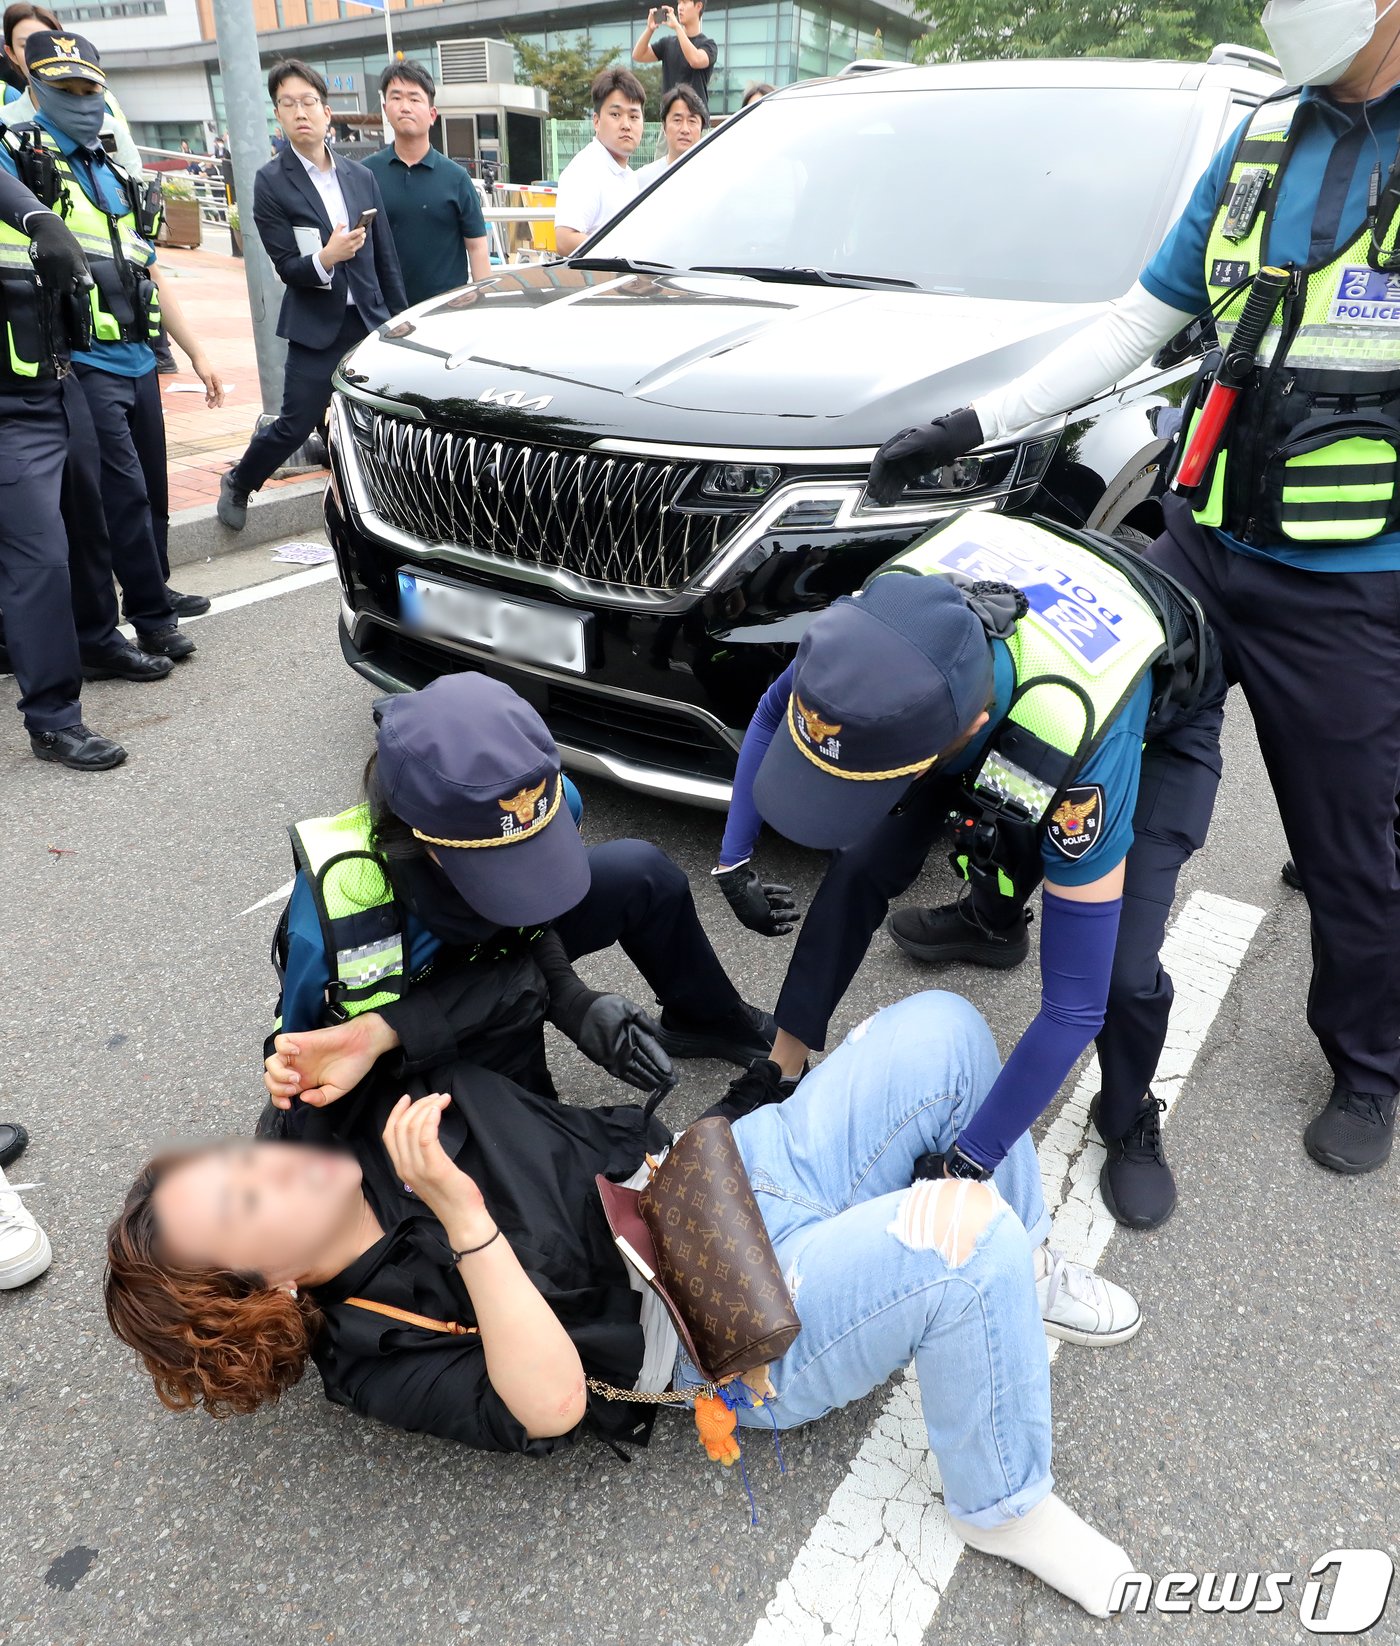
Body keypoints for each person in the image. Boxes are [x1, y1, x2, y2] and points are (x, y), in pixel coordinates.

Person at [107, 990, 1141, 1617]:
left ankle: (1028, 1279)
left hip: (713, 1178)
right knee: (964, 1242)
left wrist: (375, 1033)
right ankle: (1002, 1499)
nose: (264, 1165)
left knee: (949, 1033)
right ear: (271, 1286)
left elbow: (512, 974)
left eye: (235, 1162)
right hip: (714, 1324)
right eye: (243, 1202)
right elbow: (550, 1403)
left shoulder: (342, 1116)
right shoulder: (375, 1349)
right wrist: (462, 1218)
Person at [865, 0, 1400, 1179]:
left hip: (1352, 577)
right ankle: (1001, 906)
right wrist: (972, 422)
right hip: (1201, 548)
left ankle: (1368, 1061)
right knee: (1054, 727)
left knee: (1350, 843)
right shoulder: (1262, 139)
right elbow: (1134, 323)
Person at [713, 513, 1225, 1233]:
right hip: (979, 679)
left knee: (1118, 972)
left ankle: (1128, 1109)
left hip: (1148, 719)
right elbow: (774, 710)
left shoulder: (1076, 740)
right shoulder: (877, 630)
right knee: (863, 862)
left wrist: (968, 1163)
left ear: (966, 729)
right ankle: (785, 1064)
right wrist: (732, 858)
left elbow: (1071, 1009)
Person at [261, 672, 777, 1129]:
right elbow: (309, 1052)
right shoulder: (343, 906)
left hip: (506, 970)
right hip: (417, 1026)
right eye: (493, 869)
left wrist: (573, 998)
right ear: (415, 836)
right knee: (527, 1143)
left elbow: (527, 925)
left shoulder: (544, 802)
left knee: (639, 872)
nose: (516, 886)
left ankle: (703, 1018)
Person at [0, 30, 224, 665]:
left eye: (89, 87)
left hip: (137, 358)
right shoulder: (19, 155)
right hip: (78, 362)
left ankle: (151, 610)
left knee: (148, 495)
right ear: (33, 87)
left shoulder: (116, 170)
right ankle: (140, 623)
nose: (80, 99)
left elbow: (144, 266)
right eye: (63, 88)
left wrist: (198, 353)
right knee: (111, 502)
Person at [216, 60, 405, 533]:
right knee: (295, 422)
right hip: (315, 324)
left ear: (326, 111)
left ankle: (385, 504)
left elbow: (386, 258)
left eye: (308, 102)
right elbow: (286, 267)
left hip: (367, 320)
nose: (300, 111)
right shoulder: (271, 182)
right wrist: (328, 256)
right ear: (277, 115)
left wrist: (400, 319)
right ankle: (240, 481)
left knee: (381, 420)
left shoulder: (359, 176)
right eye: (288, 103)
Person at [0, 155, 131, 768]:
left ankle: (96, 642)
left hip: (56, 377)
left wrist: (34, 214)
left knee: (88, 528)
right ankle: (53, 719)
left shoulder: (21, 155)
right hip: (7, 410)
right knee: (39, 558)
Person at [363, 60, 489, 306]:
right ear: (385, 108)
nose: (405, 107)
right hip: (384, 314)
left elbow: (477, 247)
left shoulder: (456, 177)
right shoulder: (365, 174)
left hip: (446, 312)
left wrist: (482, 304)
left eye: (414, 98)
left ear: (432, 114)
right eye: (396, 98)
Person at [2, 2, 143, 175]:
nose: (38, 53)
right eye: (26, 46)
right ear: (11, 53)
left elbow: (135, 182)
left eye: (46, 42)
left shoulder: (108, 125)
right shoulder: (6, 125)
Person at [552, 67, 645, 258]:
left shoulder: (628, 175)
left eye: (634, 116)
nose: (626, 125)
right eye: (615, 115)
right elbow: (565, 239)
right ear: (596, 121)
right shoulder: (586, 170)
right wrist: (621, 256)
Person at [632, 0, 717, 110]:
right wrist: (650, 29)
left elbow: (695, 60)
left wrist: (677, 27)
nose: (680, 7)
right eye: (679, 3)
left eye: (685, 3)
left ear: (698, 6)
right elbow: (638, 55)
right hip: (670, 116)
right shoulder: (667, 43)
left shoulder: (708, 45)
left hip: (696, 117)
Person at [636, 83, 705, 186]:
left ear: (701, 129)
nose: (685, 129)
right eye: (677, 120)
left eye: (692, 121)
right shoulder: (644, 179)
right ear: (664, 127)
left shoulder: (713, 179)